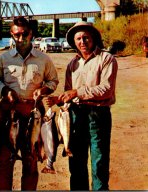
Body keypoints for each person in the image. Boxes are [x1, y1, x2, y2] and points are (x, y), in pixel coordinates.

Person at [46, 21, 118, 190]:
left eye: (86, 37)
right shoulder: (72, 64)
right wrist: (58, 99)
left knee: (99, 162)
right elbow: (68, 94)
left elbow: (106, 89)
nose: (82, 42)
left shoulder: (107, 58)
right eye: (78, 38)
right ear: (74, 42)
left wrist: (76, 92)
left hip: (98, 114)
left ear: (93, 39)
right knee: (76, 163)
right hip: (75, 115)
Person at [0, 16, 59, 190]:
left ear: (31, 34)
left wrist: (43, 90)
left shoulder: (44, 59)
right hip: (8, 114)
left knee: (31, 159)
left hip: (33, 115)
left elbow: (53, 81)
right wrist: (5, 91)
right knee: (5, 160)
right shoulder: (4, 58)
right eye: (16, 35)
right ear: (12, 35)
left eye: (24, 34)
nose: (20, 39)